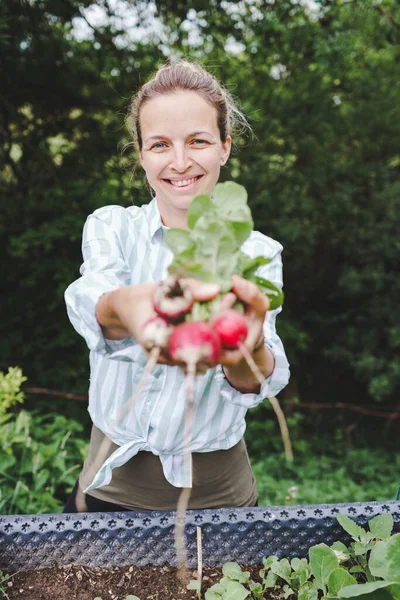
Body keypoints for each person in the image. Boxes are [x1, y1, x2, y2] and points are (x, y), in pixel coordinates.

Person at [63, 60, 290, 513]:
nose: (181, 162)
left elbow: (257, 377)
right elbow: (93, 297)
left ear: (225, 148)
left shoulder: (258, 252)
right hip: (108, 485)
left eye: (199, 141)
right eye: (161, 145)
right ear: (142, 154)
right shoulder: (113, 226)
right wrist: (128, 305)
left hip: (220, 495)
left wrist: (245, 348)